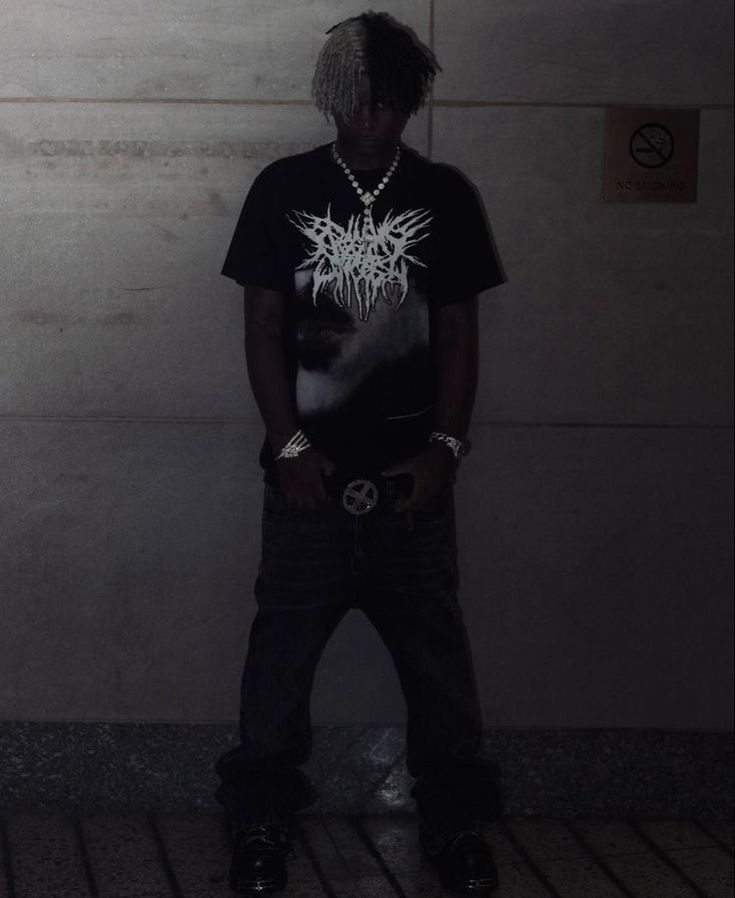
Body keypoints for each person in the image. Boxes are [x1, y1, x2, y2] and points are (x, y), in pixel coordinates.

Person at [215, 11, 505, 894]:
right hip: (306, 481)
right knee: (277, 673)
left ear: (410, 100)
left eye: (387, 98)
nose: (371, 113)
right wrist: (289, 443)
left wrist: (444, 452)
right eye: (356, 98)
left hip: (412, 485)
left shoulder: (444, 194)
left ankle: (454, 827)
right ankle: (261, 821)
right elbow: (261, 327)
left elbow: (459, 335)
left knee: (440, 677)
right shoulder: (284, 187)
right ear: (333, 99)